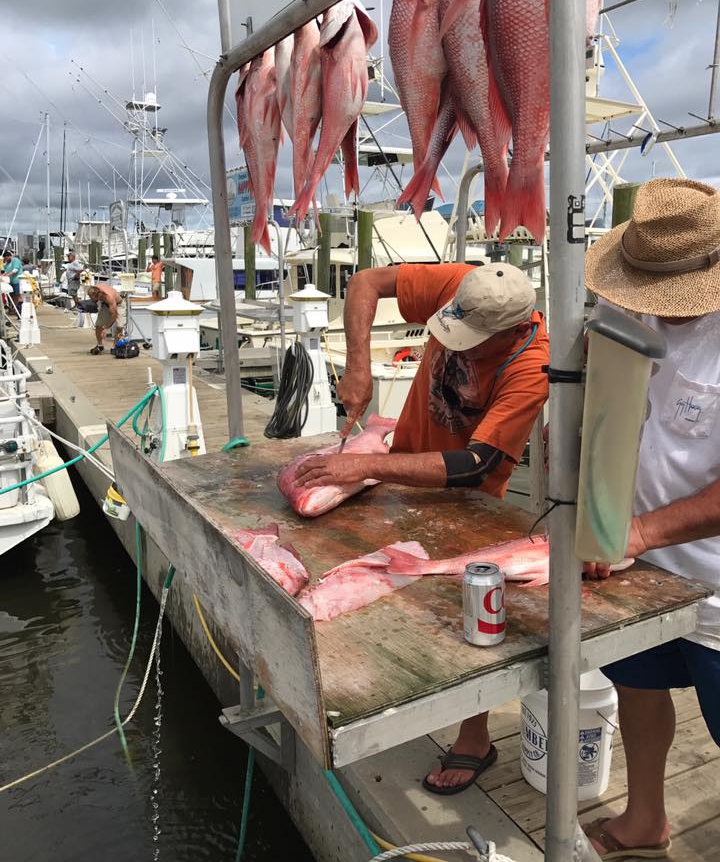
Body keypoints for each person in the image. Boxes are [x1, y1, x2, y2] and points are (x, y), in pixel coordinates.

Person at [295, 261, 550, 794]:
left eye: (472, 342)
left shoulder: (531, 366)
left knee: (469, 618)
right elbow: (366, 281)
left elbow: (476, 462)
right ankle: (385, 692)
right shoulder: (469, 284)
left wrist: (364, 465)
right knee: (379, 590)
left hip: (471, 503)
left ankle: (475, 737)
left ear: (507, 333)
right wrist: (359, 366)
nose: (455, 345)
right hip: (399, 472)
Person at [581, 178, 720, 859]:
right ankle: (645, 817)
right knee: (636, 686)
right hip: (635, 560)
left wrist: (636, 532)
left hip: (714, 583)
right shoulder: (626, 313)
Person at [86, 283, 127, 355]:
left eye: (90, 297)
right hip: (105, 304)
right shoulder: (96, 289)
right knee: (98, 325)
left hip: (118, 304)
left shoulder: (109, 297)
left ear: (97, 295)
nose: (90, 298)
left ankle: (115, 346)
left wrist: (106, 328)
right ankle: (100, 345)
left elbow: (114, 315)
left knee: (119, 326)